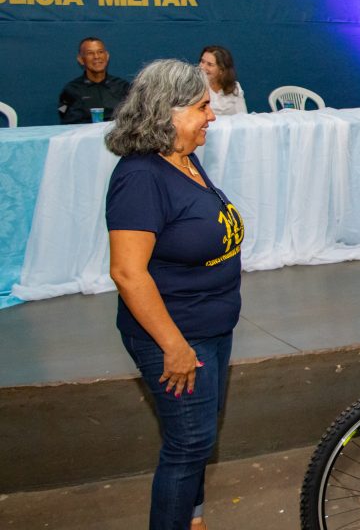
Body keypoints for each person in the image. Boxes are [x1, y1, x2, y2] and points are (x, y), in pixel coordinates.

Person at [105, 59, 245, 530]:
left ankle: (193, 519)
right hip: (178, 337)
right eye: (202, 106)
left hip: (210, 327)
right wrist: (174, 345)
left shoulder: (183, 157)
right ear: (167, 112)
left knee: (198, 440)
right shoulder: (141, 176)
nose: (212, 115)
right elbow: (127, 273)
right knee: (187, 444)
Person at [58, 37, 131, 124]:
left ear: (107, 56)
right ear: (81, 59)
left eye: (100, 52)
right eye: (90, 53)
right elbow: (62, 111)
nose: (96, 57)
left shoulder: (123, 87)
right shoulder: (71, 89)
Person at [198, 45, 247, 116]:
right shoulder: (194, 88)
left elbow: (243, 116)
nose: (202, 67)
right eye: (202, 61)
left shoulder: (235, 88)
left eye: (209, 64)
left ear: (221, 70)